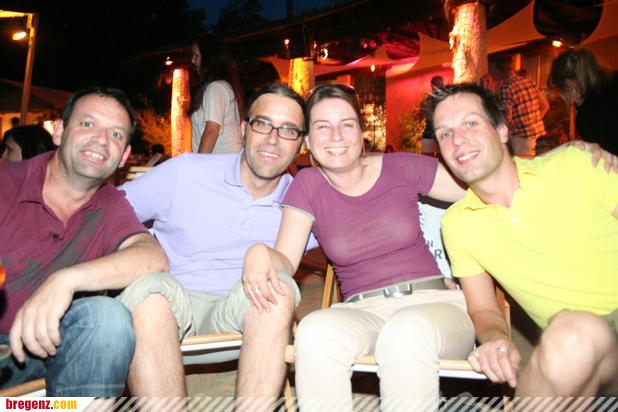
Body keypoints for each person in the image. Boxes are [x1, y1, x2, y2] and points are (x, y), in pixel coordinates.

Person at [243, 83, 476, 411]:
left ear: (361, 132)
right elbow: (285, 260)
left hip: (434, 305)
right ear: (307, 140)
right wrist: (259, 252)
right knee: (314, 331)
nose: (336, 136)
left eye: (347, 124)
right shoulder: (308, 185)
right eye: (323, 126)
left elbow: (485, 190)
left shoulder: (401, 167)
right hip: (362, 312)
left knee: (405, 332)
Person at [118, 83, 317, 405]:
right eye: (263, 123)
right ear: (243, 129)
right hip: (170, 301)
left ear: (302, 143)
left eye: (288, 130)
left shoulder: (302, 204)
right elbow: (105, 215)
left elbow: (361, 228)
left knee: (278, 289)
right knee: (148, 294)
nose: (273, 139)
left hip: (243, 308)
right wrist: (139, 243)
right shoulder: (186, 172)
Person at [424, 83, 618, 397]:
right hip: (574, 343)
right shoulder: (458, 223)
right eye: (445, 133)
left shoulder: (577, 164)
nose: (457, 139)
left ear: (502, 130)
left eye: (470, 123)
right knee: (571, 335)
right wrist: (496, 340)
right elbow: (483, 309)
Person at [0, 86, 168, 395]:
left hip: (47, 353)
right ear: (59, 132)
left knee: (106, 317)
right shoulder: (8, 182)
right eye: (88, 124)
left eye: (115, 134)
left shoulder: (110, 204)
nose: (101, 140)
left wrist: (65, 280)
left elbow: (152, 257)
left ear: (124, 156)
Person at [548, 48, 618, 155]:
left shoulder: (588, 117)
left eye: (561, 92)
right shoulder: (613, 82)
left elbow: (606, 159)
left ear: (569, 84)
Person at [190, 35, 244, 154]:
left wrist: (198, 163)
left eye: (196, 55)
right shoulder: (221, 87)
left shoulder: (215, 88)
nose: (192, 60)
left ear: (208, 59)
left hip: (219, 161)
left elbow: (212, 130)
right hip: (224, 160)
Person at [495, 55, 548, 157]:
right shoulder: (529, 81)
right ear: (513, 66)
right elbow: (545, 106)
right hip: (541, 137)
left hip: (523, 140)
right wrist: (533, 121)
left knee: (523, 166)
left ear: (499, 71)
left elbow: (508, 118)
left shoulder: (506, 88)